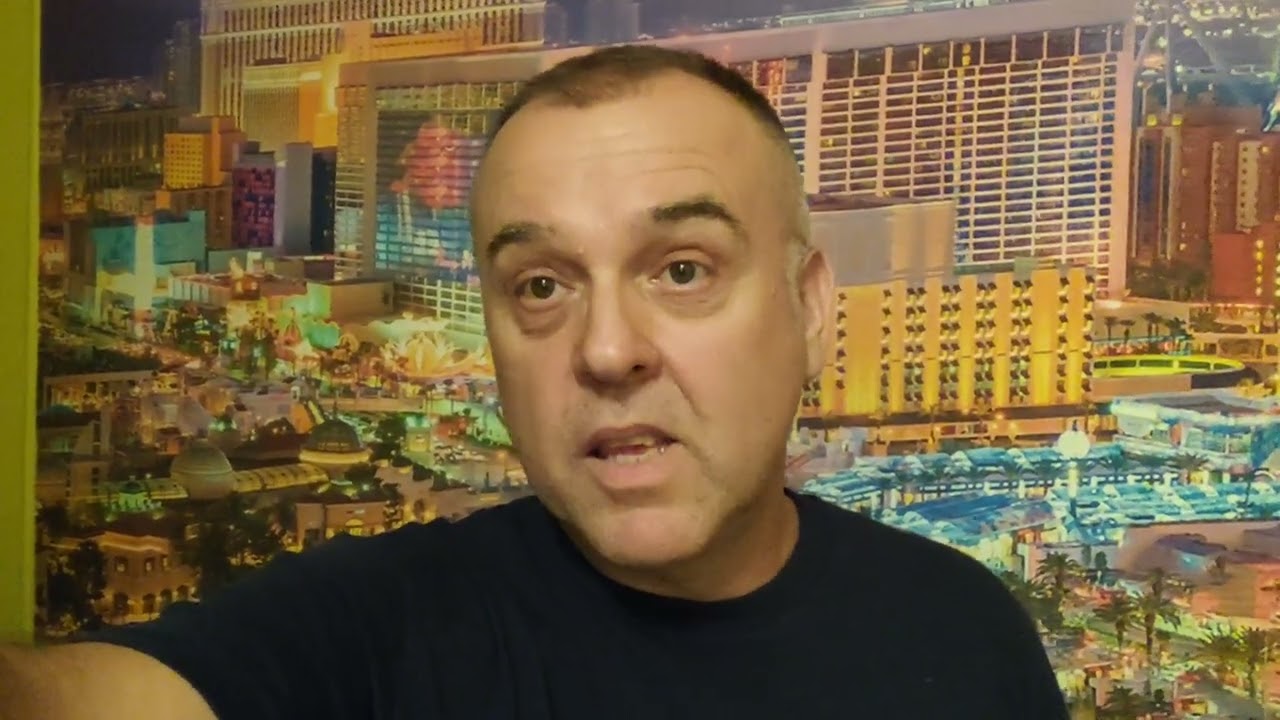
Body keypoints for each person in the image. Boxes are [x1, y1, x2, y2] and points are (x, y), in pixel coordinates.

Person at [0, 45, 1068, 720]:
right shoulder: (379, 633)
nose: (607, 350)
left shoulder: (958, 632)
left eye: (681, 270)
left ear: (810, 308)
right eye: (542, 285)